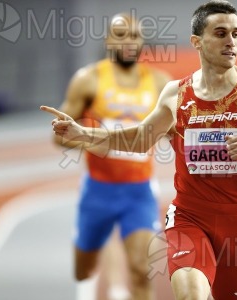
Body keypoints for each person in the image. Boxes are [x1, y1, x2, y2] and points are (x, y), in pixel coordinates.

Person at [41, 1, 237, 299]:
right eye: (221, 33)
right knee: (191, 295)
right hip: (190, 216)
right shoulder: (176, 93)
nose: (231, 41)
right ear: (197, 42)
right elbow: (140, 138)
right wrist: (85, 133)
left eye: (236, 34)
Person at [51, 13, 171, 300]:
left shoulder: (158, 83)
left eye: (135, 36)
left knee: (141, 270)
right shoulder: (89, 80)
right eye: (121, 35)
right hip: (97, 192)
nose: (129, 42)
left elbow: (174, 130)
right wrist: (92, 141)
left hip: (139, 192)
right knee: (83, 271)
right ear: (108, 40)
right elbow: (58, 136)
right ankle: (86, 242)